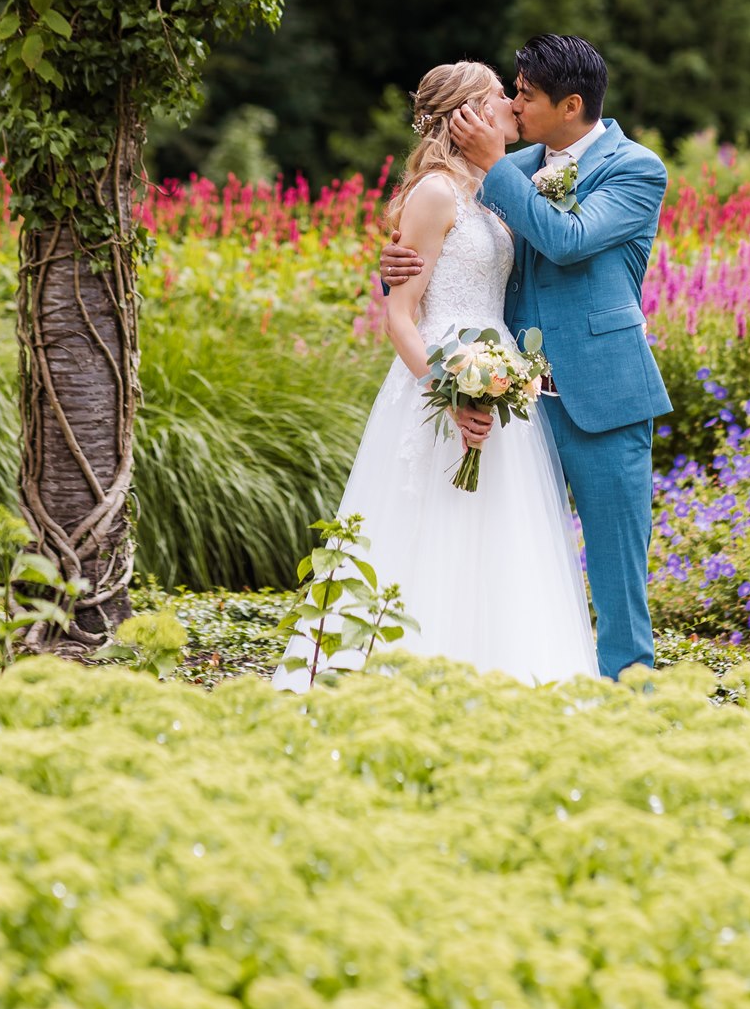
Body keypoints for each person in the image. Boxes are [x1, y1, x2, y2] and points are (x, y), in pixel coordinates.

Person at [274, 57, 597, 689]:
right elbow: (399, 315)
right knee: (433, 526)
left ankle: (497, 676)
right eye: (499, 94)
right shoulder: (435, 193)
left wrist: (497, 379)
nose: (512, 103)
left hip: (499, 377)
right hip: (440, 376)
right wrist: (446, 393)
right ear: (468, 113)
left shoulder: (498, 190)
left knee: (499, 535)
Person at [381, 35, 670, 680]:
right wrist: (397, 267)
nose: (513, 105)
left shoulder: (636, 169)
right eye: (512, 91)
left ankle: (631, 704)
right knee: (509, 561)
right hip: (512, 401)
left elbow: (567, 240)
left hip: (602, 396)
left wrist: (496, 167)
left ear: (571, 106)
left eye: (526, 95)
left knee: (617, 575)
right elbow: (459, 253)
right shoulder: (509, 164)